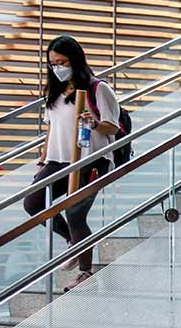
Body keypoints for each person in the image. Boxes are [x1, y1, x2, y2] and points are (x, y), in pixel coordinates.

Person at [22, 36, 121, 291]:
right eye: (52, 63)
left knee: (75, 212)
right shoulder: (54, 92)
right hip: (58, 160)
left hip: (91, 159)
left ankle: (86, 272)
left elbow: (113, 126)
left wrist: (94, 123)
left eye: (62, 62)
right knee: (33, 203)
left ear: (75, 60)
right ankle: (72, 243)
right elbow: (51, 128)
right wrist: (43, 158)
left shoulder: (97, 89)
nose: (57, 68)